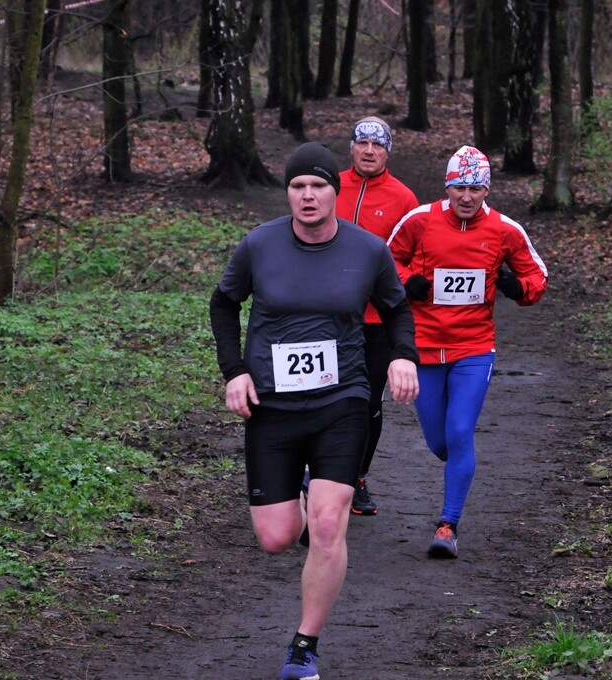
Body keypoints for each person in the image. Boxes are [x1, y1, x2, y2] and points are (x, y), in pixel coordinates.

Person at [209, 141, 420, 679]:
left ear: (334, 191)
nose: (307, 195)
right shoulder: (259, 245)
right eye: (297, 186)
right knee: (276, 537)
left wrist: (403, 356)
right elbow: (224, 303)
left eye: (318, 186)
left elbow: (398, 308)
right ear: (288, 193)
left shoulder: (367, 250)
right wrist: (234, 371)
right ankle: (302, 500)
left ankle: (304, 648)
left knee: (328, 526)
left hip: (341, 400)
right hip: (272, 405)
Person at [387, 145, 548, 559]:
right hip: (424, 347)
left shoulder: (505, 229)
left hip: (473, 348)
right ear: (448, 187)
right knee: (439, 442)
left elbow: (537, 275)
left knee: (460, 432)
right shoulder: (420, 220)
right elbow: (385, 262)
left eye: (475, 188)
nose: (466, 196)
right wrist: (407, 282)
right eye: (459, 187)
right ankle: (457, 462)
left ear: (486, 190)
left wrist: (518, 287)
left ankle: (448, 525)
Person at [336, 116, 420, 516]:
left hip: (376, 320)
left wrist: (407, 283)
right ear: (352, 147)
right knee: (322, 394)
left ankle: (357, 477)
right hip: (328, 315)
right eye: (363, 143)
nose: (369, 151)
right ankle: (318, 473)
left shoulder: (404, 198)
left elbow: (416, 254)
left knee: (368, 400)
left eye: (378, 145)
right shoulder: (330, 185)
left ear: (388, 152)